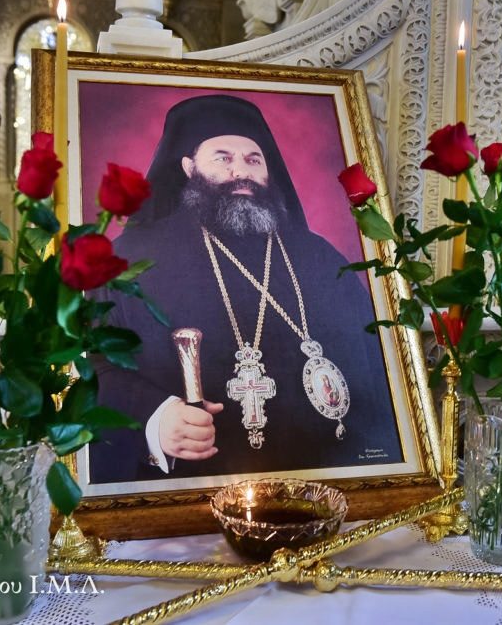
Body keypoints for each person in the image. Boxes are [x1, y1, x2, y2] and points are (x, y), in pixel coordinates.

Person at [90, 94, 403, 483]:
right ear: (189, 167)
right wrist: (155, 417)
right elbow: (94, 364)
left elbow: (376, 365)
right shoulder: (130, 259)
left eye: (254, 160)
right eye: (223, 158)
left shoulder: (318, 256)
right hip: (193, 488)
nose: (241, 171)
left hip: (321, 481)